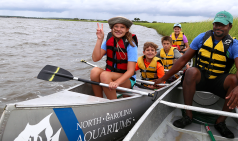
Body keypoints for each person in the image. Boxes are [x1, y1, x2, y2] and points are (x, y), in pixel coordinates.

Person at [153, 11, 238, 139]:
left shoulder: (233, 44)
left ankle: (220, 122)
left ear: (230, 26)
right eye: (216, 24)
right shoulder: (202, 38)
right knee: (190, 71)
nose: (218, 27)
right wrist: (163, 78)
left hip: (219, 80)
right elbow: (182, 60)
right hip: (201, 78)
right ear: (213, 24)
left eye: (223, 25)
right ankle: (188, 115)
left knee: (234, 79)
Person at [90, 16, 138, 100]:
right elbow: (95, 58)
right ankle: (99, 100)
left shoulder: (131, 44)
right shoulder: (109, 40)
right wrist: (99, 39)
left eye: (122, 27)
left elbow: (130, 71)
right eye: (116, 26)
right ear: (112, 28)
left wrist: (116, 82)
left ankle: (113, 102)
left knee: (105, 75)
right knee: (94, 71)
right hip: (111, 75)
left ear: (127, 29)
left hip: (127, 79)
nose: (118, 29)